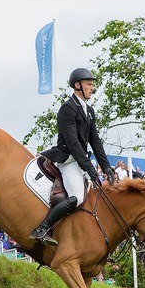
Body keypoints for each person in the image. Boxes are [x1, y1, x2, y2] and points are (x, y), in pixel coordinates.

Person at [33, 68, 114, 246]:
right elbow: (73, 144)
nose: (92, 88)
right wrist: (90, 168)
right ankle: (42, 228)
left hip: (79, 160)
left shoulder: (89, 110)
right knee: (77, 197)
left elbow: (95, 140)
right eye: (89, 84)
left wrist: (106, 166)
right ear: (77, 86)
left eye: (92, 85)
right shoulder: (67, 109)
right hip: (67, 160)